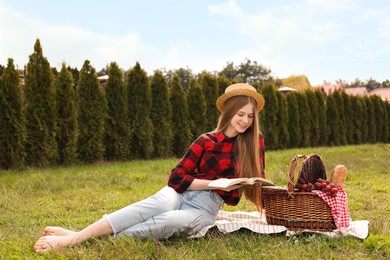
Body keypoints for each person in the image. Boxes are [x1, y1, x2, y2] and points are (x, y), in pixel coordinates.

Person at [34, 82, 267, 253]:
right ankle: (76, 239)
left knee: (169, 222)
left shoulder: (254, 142)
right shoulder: (206, 140)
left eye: (249, 116)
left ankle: (77, 237)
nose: (245, 121)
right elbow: (175, 178)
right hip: (181, 193)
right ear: (228, 113)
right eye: (240, 114)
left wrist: (270, 198)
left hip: (207, 207)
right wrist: (212, 183)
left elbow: (259, 181)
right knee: (156, 204)